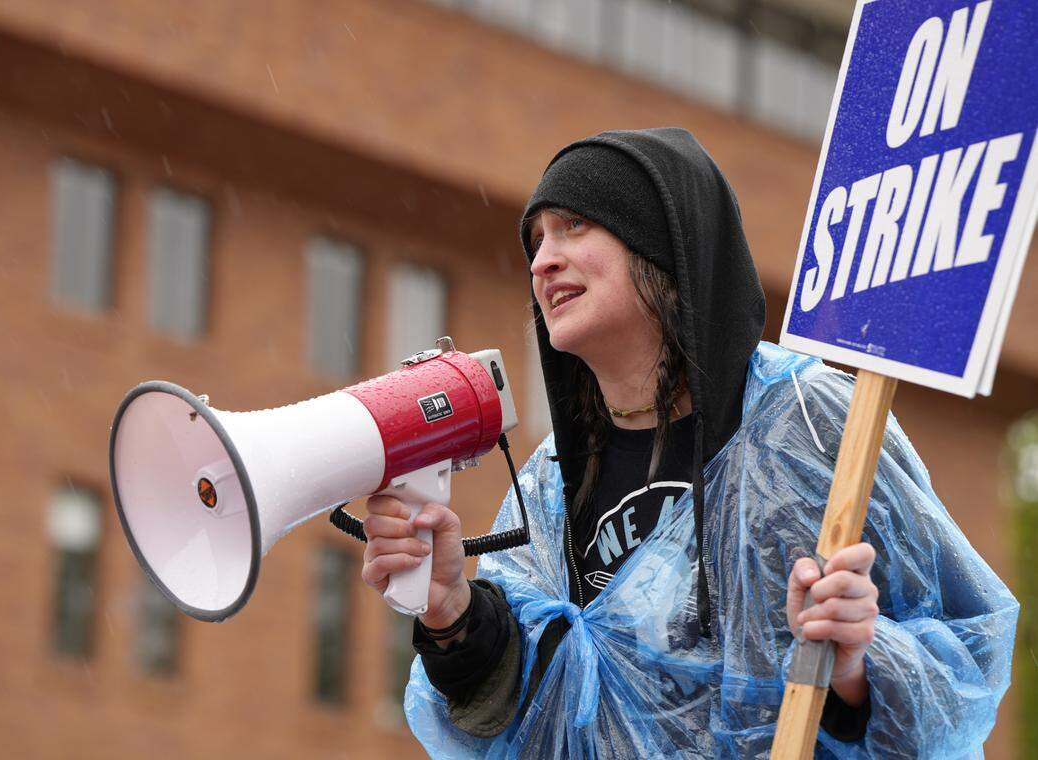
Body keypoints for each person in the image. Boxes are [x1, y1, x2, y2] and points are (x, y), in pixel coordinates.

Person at [359, 128, 1018, 757]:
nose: (542, 259)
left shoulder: (808, 421)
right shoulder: (552, 482)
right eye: (535, 240)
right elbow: (524, 715)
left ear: (661, 246)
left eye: (574, 225)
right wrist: (452, 616)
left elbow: (968, 658)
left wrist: (857, 664)